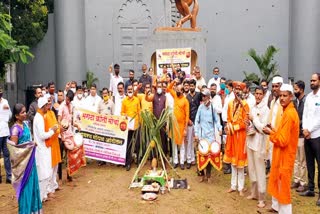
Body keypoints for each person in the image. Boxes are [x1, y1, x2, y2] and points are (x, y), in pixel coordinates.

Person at [263, 84, 299, 214]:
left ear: (291, 97)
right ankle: (276, 208)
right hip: (280, 155)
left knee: (283, 187)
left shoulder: (289, 114)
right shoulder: (286, 111)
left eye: (285, 96)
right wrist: (274, 131)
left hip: (285, 156)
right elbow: (282, 134)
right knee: (277, 182)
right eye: (281, 96)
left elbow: (283, 141)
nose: (282, 98)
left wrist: (270, 133)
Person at [8, 103, 42, 213]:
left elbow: (28, 141)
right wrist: (29, 146)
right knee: (26, 188)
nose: (25, 114)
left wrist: (32, 144)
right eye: (22, 112)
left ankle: (33, 210)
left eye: (25, 111)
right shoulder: (15, 130)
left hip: (31, 161)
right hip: (23, 166)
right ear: (17, 116)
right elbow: (14, 150)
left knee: (33, 186)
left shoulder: (26, 124)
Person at [223, 81, 249, 196]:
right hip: (231, 137)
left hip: (240, 137)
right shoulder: (229, 104)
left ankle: (241, 187)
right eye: (235, 89)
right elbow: (228, 118)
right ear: (233, 91)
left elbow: (245, 123)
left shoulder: (245, 104)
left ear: (242, 91)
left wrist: (234, 127)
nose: (237, 91)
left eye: (239, 90)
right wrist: (228, 127)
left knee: (240, 164)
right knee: (233, 163)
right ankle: (233, 186)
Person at [246, 87, 269, 208]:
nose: (258, 96)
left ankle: (262, 197)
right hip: (250, 140)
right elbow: (251, 123)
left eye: (260, 94)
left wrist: (253, 119)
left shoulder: (265, 109)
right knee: (251, 169)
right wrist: (248, 122)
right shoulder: (252, 107)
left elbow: (263, 128)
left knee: (260, 170)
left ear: (264, 95)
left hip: (259, 142)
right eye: (256, 94)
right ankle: (253, 193)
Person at [300, 73, 320, 207]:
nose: (311, 82)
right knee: (310, 164)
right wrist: (304, 129)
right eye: (311, 80)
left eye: (314, 80)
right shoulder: (309, 97)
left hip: (317, 135)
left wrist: (310, 129)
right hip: (307, 135)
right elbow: (305, 114)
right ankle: (311, 189)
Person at [33, 96, 59, 202]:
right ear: (43, 106)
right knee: (44, 174)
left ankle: (42, 196)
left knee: (45, 173)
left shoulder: (40, 116)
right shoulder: (39, 118)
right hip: (42, 149)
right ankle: (40, 197)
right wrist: (52, 130)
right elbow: (43, 135)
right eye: (46, 106)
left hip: (44, 148)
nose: (47, 108)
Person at [194, 88, 222, 183]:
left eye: (205, 96)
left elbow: (217, 120)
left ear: (209, 97)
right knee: (201, 155)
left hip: (210, 136)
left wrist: (220, 129)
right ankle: (202, 175)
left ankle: (209, 175)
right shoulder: (200, 108)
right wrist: (196, 134)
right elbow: (197, 121)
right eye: (202, 96)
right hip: (202, 136)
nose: (203, 98)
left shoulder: (213, 108)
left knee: (209, 156)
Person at [167, 78, 190, 169]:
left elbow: (187, 116)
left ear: (182, 91)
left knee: (182, 145)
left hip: (181, 126)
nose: (176, 90)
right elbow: (168, 89)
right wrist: (173, 82)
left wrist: (185, 129)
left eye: (179, 89)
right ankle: (175, 161)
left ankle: (181, 162)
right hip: (174, 125)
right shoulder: (175, 96)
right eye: (176, 89)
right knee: (174, 144)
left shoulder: (185, 101)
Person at [291, 80, 307, 192]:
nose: (294, 91)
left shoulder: (306, 101)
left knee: (302, 160)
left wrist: (297, 123)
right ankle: (296, 180)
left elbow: (306, 118)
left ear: (301, 89)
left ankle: (303, 182)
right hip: (294, 135)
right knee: (295, 159)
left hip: (302, 134)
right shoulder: (294, 102)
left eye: (296, 89)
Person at [44, 94, 62, 193]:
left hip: (55, 141)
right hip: (49, 142)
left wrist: (59, 129)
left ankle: (54, 185)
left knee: (55, 165)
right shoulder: (44, 115)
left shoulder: (51, 112)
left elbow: (56, 125)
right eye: (48, 101)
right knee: (50, 166)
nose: (49, 103)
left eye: (50, 100)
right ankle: (48, 189)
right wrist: (54, 130)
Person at [266, 76, 283, 175]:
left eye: (276, 86)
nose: (274, 89)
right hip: (272, 135)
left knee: (280, 163)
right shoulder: (272, 101)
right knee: (272, 159)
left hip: (280, 137)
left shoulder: (284, 103)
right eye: (273, 86)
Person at [121, 84, 141, 171]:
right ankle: (128, 163)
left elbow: (139, 112)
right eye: (128, 89)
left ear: (133, 90)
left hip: (136, 125)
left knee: (137, 144)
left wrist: (140, 122)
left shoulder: (136, 100)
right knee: (128, 145)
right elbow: (121, 112)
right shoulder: (124, 101)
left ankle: (138, 161)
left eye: (131, 89)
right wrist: (124, 115)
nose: (130, 91)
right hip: (128, 127)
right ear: (126, 91)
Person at [185, 79, 201, 168]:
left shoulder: (198, 95)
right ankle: (189, 159)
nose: (191, 87)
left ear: (195, 86)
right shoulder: (186, 97)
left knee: (198, 140)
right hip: (190, 121)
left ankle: (199, 159)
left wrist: (200, 88)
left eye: (192, 86)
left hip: (198, 121)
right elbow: (185, 110)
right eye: (190, 86)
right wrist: (188, 120)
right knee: (189, 141)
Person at [0, 86, 12, 184]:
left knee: (7, 154)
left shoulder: (5, 101)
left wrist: (7, 110)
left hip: (5, 131)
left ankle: (9, 176)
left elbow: (10, 115)